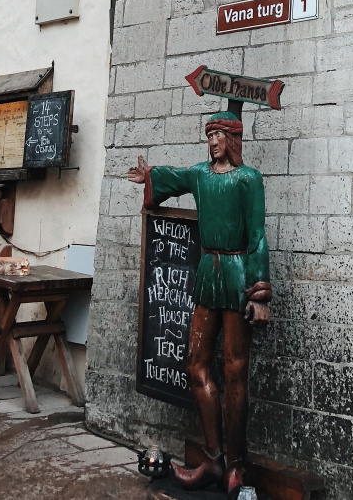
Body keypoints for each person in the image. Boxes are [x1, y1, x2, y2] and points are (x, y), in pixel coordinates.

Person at [129, 112, 271, 496]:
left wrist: (259, 292)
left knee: (236, 369)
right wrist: (150, 177)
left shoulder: (248, 179)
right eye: (209, 135)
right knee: (195, 365)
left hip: (239, 273)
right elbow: (172, 178)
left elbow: (257, 236)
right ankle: (213, 457)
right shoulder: (200, 175)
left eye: (220, 135)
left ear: (233, 139)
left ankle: (236, 466)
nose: (213, 142)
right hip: (208, 271)